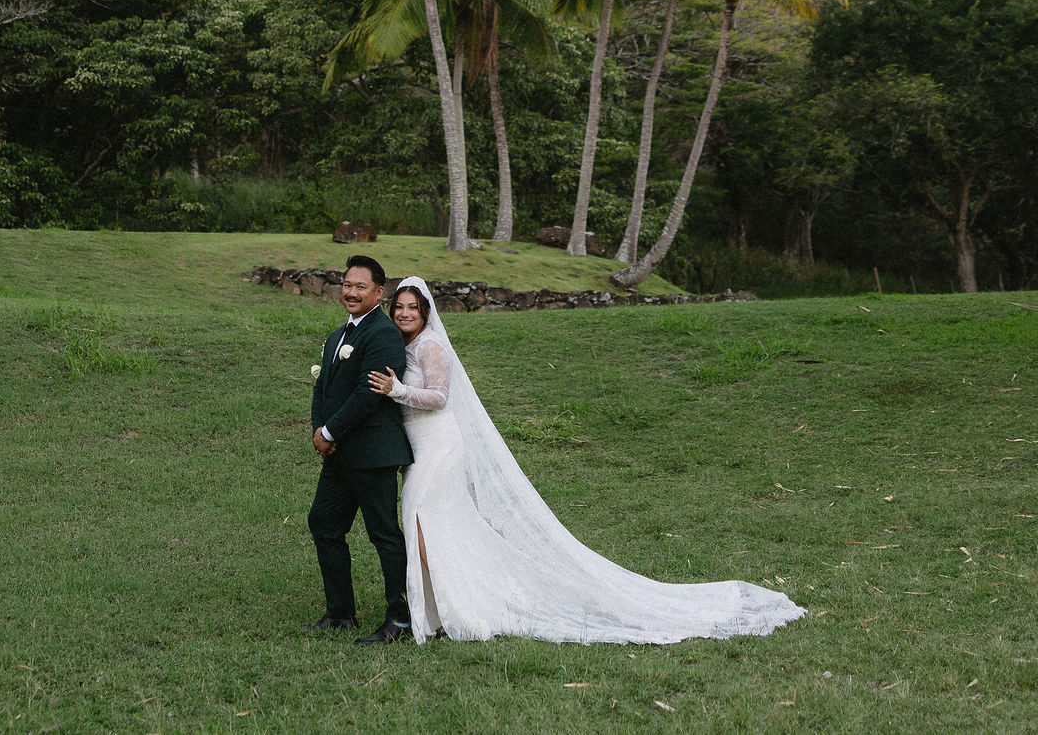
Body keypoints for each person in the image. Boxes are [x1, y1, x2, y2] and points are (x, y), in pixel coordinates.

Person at [365, 276, 806, 644]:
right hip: (418, 450)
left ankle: (460, 606)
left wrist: (397, 391)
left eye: (412, 308)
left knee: (425, 525)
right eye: (399, 307)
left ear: (425, 312)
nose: (404, 314)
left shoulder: (431, 348)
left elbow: (440, 397)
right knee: (432, 528)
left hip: (440, 448)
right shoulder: (404, 346)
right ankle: (440, 609)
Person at [307, 255, 414, 645]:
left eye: (360, 287)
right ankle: (340, 612)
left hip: (372, 453)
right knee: (323, 523)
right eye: (347, 285)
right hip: (339, 454)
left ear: (379, 292)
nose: (351, 292)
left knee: (383, 534)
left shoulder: (383, 334)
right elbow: (322, 387)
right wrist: (320, 429)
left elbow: (368, 394)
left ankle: (400, 619)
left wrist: (332, 430)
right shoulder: (339, 335)